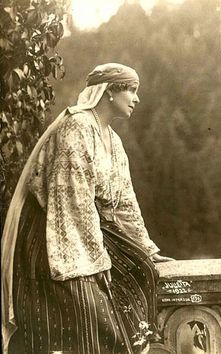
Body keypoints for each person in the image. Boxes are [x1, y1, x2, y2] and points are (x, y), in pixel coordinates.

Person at [2, 63, 172, 354]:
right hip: (55, 238)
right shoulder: (77, 126)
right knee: (94, 320)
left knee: (143, 269)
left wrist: (147, 247)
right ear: (107, 92)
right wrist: (96, 260)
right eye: (130, 89)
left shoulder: (113, 140)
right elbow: (73, 202)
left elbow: (126, 202)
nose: (136, 98)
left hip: (90, 231)